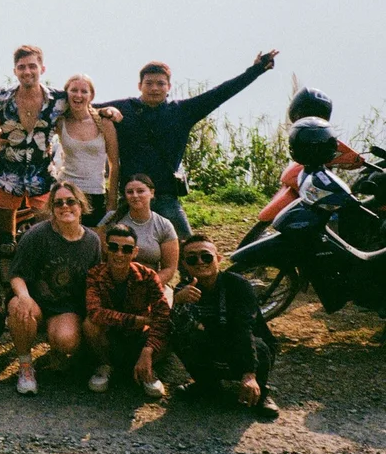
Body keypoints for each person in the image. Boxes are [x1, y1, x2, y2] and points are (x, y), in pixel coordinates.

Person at [98, 51, 279, 237]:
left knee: (189, 248)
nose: (154, 88)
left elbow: (220, 93)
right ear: (139, 86)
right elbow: (82, 105)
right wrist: (104, 110)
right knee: (115, 246)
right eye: (149, 83)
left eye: (160, 83)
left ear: (168, 87)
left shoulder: (182, 112)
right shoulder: (124, 108)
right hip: (130, 196)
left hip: (166, 197)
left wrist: (256, 70)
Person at [171, 234, 280, 420]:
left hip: (245, 344)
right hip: (212, 342)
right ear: (185, 265)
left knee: (260, 346)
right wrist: (177, 302)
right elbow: (173, 326)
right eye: (192, 258)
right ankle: (207, 384)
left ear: (218, 259)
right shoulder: (184, 289)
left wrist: (249, 373)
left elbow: (243, 329)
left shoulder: (238, 285)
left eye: (206, 256)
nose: (200, 262)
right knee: (178, 334)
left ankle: (260, 389)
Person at [7, 181, 102, 396]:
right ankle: (25, 366)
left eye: (71, 201)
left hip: (66, 307)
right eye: (58, 203)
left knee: (66, 340)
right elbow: (16, 275)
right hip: (36, 302)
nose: (65, 207)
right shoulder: (37, 235)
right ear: (51, 208)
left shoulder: (92, 241)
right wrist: (23, 296)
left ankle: (57, 351)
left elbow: (94, 282)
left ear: (81, 206)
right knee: (18, 309)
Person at [0, 46, 67, 242]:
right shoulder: (0, 99)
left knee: (47, 234)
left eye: (32, 66)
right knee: (5, 240)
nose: (27, 71)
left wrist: (107, 111)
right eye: (21, 67)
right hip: (6, 174)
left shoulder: (59, 99)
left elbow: (85, 108)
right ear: (15, 71)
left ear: (42, 68)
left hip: (42, 174)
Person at [83, 224, 171, 398]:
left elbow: (162, 314)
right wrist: (137, 319)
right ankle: (104, 365)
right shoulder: (95, 274)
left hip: (139, 337)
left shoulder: (147, 275)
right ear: (106, 249)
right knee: (89, 324)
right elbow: (95, 312)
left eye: (126, 249)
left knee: (170, 326)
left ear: (135, 252)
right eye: (114, 247)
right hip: (109, 338)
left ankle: (148, 367)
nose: (119, 254)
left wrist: (148, 350)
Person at [99, 175, 179, 303]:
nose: (135, 195)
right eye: (130, 192)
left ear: (152, 193)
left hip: (151, 286)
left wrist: (146, 288)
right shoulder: (112, 219)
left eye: (140, 191)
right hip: (114, 285)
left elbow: (169, 268)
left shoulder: (164, 225)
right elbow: (101, 257)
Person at [55, 74, 119, 227]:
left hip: (95, 191)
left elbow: (114, 164)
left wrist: (111, 201)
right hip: (67, 191)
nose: (78, 95)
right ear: (67, 94)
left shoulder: (104, 123)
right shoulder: (60, 122)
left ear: (91, 96)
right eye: (74, 90)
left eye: (84, 91)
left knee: (93, 241)